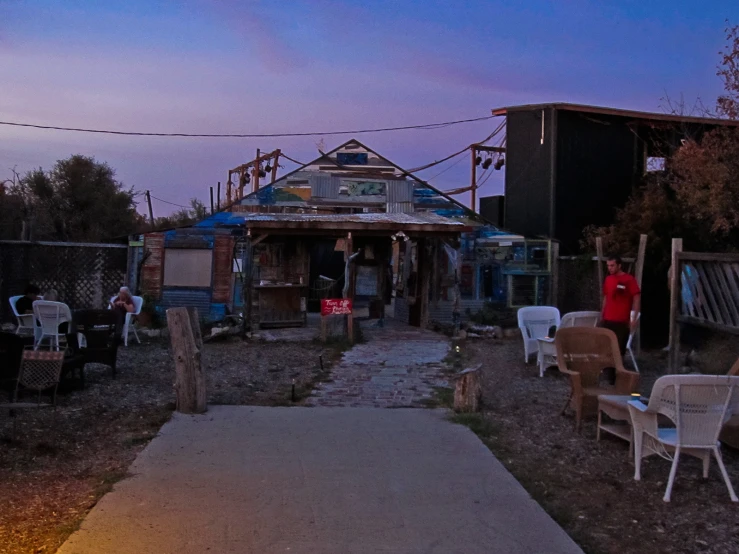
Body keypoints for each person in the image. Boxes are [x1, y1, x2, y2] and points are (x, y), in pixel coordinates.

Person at [600, 255, 641, 357]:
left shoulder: (629, 279)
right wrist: (602, 313)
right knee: (606, 349)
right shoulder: (608, 279)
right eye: (608, 266)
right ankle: (608, 371)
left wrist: (634, 318)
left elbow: (636, 298)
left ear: (619, 265)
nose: (610, 268)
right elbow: (606, 296)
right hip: (608, 319)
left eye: (612, 265)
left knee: (618, 350)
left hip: (621, 321)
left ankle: (618, 370)